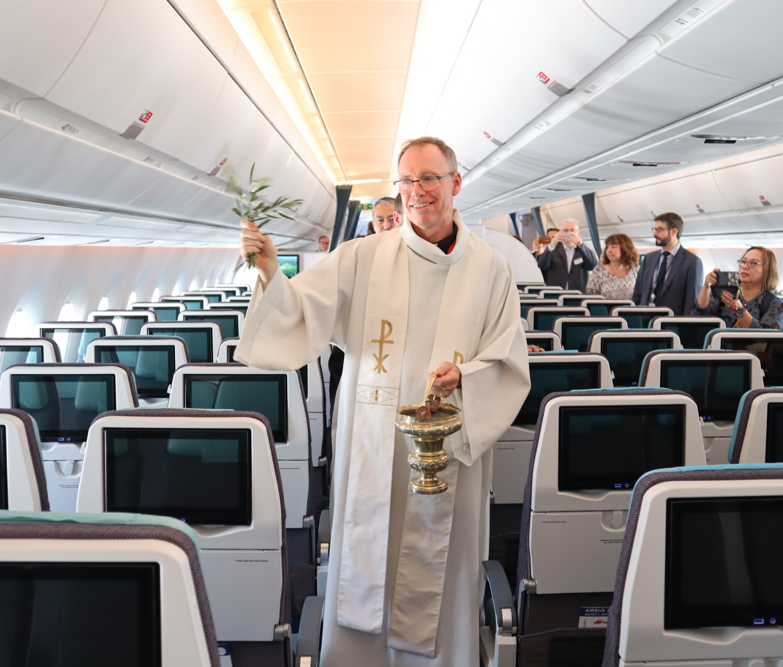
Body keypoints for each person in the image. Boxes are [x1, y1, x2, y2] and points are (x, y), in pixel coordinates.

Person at [236, 136, 529, 666]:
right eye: (407, 180)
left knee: (440, 588)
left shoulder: (491, 269)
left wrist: (464, 376)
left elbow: (508, 361)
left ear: (455, 183)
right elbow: (302, 309)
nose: (417, 192)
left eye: (430, 179)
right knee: (367, 572)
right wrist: (270, 273)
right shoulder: (362, 258)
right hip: (374, 452)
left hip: (449, 454)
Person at [693, 246, 783, 328]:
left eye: (753, 263)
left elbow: (768, 335)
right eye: (743, 262)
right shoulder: (727, 294)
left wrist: (739, 310)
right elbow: (700, 315)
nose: (745, 266)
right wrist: (706, 287)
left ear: (767, 269)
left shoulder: (775, 303)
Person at [631, 212, 703, 315]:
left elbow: (691, 302)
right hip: (645, 321)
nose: (654, 234)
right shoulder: (649, 258)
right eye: (654, 229)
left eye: (659, 230)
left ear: (674, 231)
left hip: (672, 324)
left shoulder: (692, 262)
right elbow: (638, 294)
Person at [535, 219, 597, 291]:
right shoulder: (553, 250)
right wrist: (552, 244)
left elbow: (593, 265)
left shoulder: (583, 250)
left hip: (578, 294)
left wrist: (581, 244)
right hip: (556, 294)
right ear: (561, 233)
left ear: (578, 232)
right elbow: (542, 265)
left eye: (572, 230)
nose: (569, 233)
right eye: (566, 230)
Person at [586, 233, 639, 300]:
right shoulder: (598, 271)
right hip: (605, 310)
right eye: (608, 246)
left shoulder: (636, 270)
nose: (609, 250)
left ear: (625, 249)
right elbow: (591, 298)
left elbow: (644, 295)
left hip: (631, 310)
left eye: (614, 246)